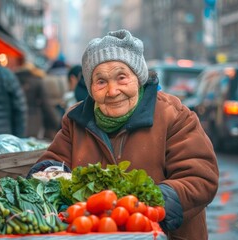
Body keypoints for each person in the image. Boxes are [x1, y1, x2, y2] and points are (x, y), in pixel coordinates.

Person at [27, 29, 219, 239]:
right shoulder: (76, 119)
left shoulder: (174, 115)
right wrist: (50, 176)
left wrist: (144, 204)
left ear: (138, 77)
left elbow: (199, 178)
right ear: (91, 87)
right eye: (100, 81)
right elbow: (54, 161)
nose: (112, 91)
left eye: (121, 77)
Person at [13, 59, 61, 140]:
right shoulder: (37, 81)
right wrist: (58, 123)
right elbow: (46, 105)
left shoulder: (14, 80)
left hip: (16, 119)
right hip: (33, 121)